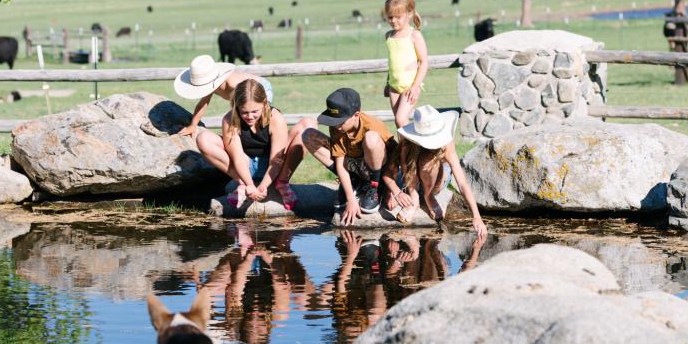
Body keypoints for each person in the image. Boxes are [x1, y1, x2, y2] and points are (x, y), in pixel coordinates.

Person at [195, 78, 308, 209]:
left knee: (307, 125)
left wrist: (263, 186)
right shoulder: (229, 119)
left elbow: (277, 159)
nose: (250, 117)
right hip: (244, 166)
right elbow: (238, 158)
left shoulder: (275, 118)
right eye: (244, 112)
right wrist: (249, 184)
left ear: (264, 103)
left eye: (255, 111)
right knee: (203, 138)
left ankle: (282, 183)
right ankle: (241, 183)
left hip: (274, 166)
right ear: (236, 107)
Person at [387, 105, 488, 240]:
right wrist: (412, 192)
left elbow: (462, 183)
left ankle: (429, 196)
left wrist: (477, 217)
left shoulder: (446, 144)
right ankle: (416, 196)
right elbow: (406, 166)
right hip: (415, 175)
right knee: (408, 154)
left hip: (439, 176)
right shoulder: (408, 142)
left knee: (427, 161)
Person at [302, 87, 397, 226]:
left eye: (340, 122)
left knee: (371, 139)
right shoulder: (338, 126)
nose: (336, 126)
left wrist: (390, 190)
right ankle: (353, 182)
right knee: (308, 135)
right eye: (333, 122)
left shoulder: (373, 125)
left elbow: (394, 158)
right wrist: (351, 199)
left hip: (377, 168)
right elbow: (340, 162)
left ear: (356, 115)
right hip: (353, 165)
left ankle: (374, 187)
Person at [173, 54, 274, 136]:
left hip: (260, 89)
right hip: (241, 99)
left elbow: (249, 98)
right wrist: (193, 125)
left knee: (259, 119)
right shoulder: (211, 86)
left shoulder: (232, 84)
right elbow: (203, 104)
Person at [383, 0, 430, 128]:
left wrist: (415, 87)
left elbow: (424, 62)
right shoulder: (389, 36)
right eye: (390, 17)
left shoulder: (414, 35)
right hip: (394, 87)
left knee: (401, 119)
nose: (393, 21)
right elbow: (392, 63)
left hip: (410, 86)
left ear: (409, 13)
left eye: (398, 17)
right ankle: (404, 150)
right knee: (400, 125)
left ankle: (414, 149)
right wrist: (387, 83)